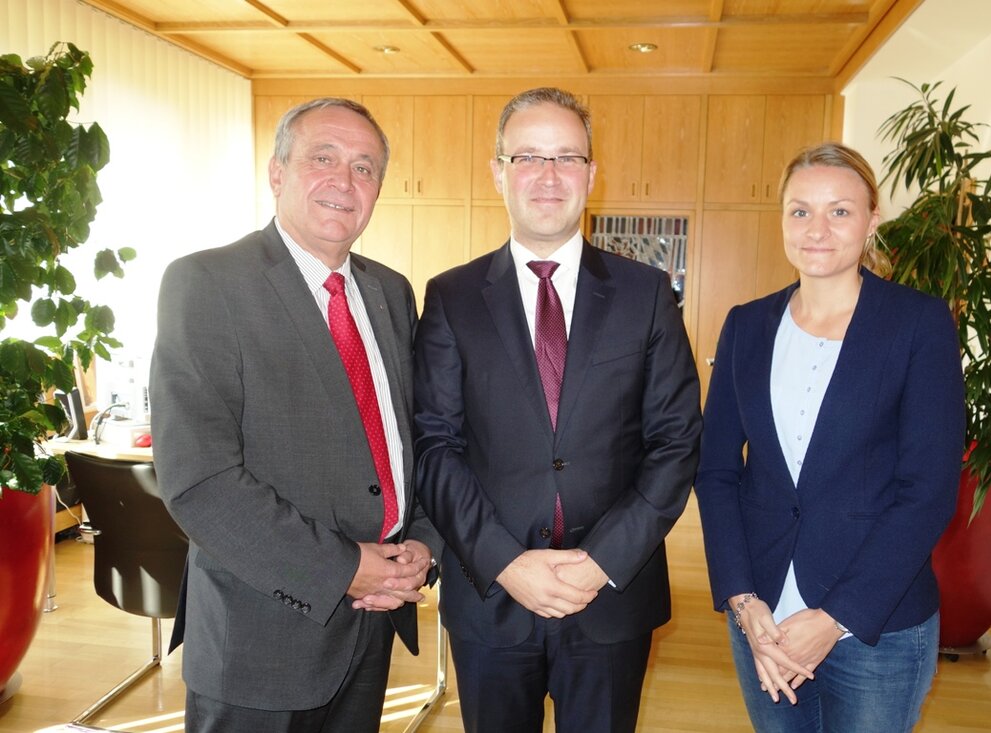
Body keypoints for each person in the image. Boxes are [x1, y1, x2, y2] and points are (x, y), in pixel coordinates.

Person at [413, 87, 702, 732]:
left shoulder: (647, 294)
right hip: (491, 595)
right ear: (498, 173)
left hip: (611, 596)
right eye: (528, 158)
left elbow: (675, 442)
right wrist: (506, 563)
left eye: (567, 157)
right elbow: (434, 445)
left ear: (592, 175)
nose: (548, 176)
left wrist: (600, 562)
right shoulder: (451, 296)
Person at [150, 97, 441, 733]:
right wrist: (347, 570)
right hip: (261, 637)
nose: (345, 181)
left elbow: (403, 440)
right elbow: (199, 481)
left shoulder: (391, 291)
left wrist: (420, 541)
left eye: (365, 168)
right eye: (323, 159)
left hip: (373, 624)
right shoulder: (207, 284)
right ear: (278, 172)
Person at [694, 142, 965, 732]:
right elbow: (716, 471)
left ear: (871, 220)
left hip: (877, 624)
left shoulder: (918, 324)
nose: (817, 229)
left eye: (839, 211)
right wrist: (741, 599)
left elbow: (928, 491)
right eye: (800, 211)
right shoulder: (746, 324)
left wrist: (835, 617)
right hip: (762, 616)